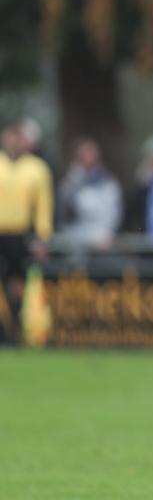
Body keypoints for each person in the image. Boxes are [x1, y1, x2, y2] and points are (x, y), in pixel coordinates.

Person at [0, 122, 53, 342]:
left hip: (20, 235)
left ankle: (16, 327)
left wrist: (43, 237)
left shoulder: (37, 168)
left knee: (16, 283)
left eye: (17, 138)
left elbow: (44, 206)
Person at [56, 138, 122, 250]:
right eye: (82, 155)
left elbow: (114, 213)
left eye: (91, 154)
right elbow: (64, 212)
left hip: (102, 241)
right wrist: (74, 177)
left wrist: (107, 233)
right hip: (76, 241)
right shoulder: (70, 182)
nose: (87, 158)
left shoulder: (108, 183)